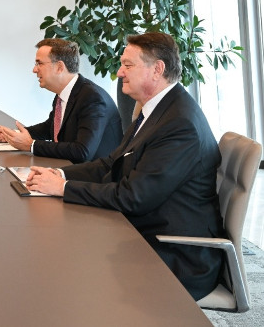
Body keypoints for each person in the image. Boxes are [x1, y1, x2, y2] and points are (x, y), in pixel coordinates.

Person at [26, 32, 224, 301]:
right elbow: (112, 163)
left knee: (66, 263)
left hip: (175, 255)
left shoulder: (180, 124)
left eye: (128, 65)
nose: (119, 73)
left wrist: (63, 188)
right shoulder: (156, 109)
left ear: (157, 69)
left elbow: (134, 197)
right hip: (146, 230)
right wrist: (57, 175)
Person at [0, 38, 122, 163]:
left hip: (96, 175)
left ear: (59, 67)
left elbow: (83, 151)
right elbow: (51, 128)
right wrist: (13, 136)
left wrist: (31, 145)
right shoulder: (65, 93)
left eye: (39, 63)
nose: (34, 70)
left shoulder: (92, 98)